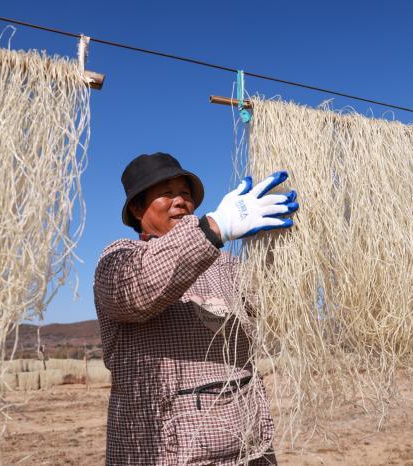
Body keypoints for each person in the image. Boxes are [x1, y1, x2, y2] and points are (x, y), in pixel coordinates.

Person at [94, 152, 298, 465]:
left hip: (249, 449)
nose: (180, 201)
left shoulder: (227, 265)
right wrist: (214, 228)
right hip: (163, 453)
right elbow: (136, 292)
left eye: (185, 194)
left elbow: (273, 312)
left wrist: (277, 251)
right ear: (137, 208)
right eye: (166, 193)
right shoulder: (119, 260)